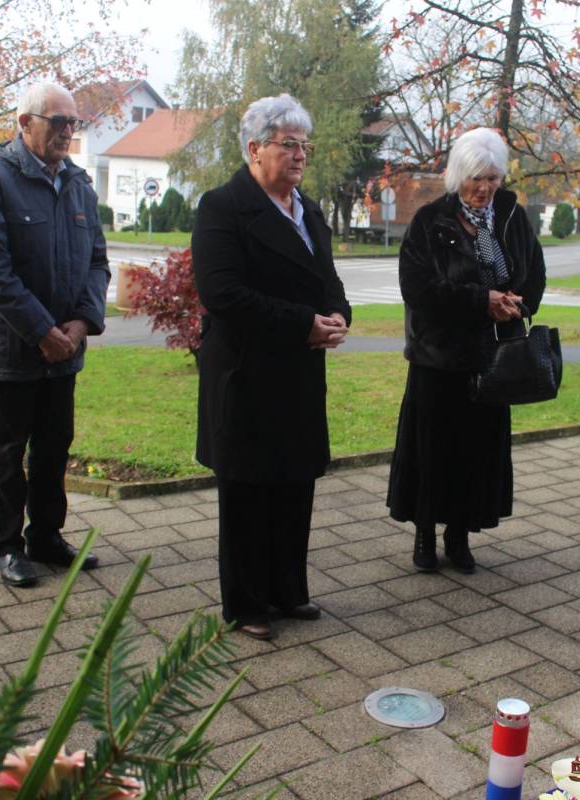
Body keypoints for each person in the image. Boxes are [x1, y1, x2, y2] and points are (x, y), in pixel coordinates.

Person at [192, 94, 351, 641]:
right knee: (248, 492)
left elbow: (328, 280)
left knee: (294, 484)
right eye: (289, 144)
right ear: (255, 149)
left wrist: (336, 316)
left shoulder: (308, 209)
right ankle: (246, 603)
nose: (300, 155)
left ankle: (288, 591)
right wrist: (301, 323)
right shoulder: (222, 207)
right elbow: (223, 294)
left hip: (300, 374)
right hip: (246, 373)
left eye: (305, 145)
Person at [0, 81, 110, 588]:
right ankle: (8, 545)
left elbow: (97, 260)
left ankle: (46, 536)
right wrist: (41, 330)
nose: (68, 132)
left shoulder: (78, 184)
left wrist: (80, 323)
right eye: (58, 122)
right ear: (24, 123)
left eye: (73, 123)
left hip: (64, 350)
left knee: (54, 447)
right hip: (11, 351)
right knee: (8, 453)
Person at [387, 127, 546, 574]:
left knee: (475, 454)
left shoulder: (513, 216)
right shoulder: (429, 221)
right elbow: (416, 288)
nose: (485, 187)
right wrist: (481, 301)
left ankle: (459, 536)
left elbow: (534, 274)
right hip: (437, 359)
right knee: (432, 452)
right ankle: (423, 535)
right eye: (477, 177)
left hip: (491, 359)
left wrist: (519, 303)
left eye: (493, 177)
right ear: (459, 176)